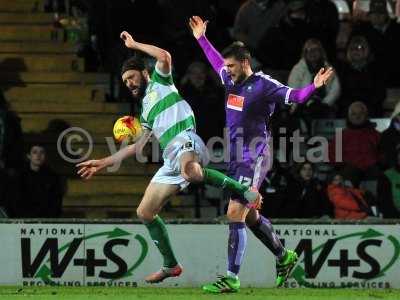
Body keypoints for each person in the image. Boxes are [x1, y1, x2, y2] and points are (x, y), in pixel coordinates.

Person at [76, 31, 263, 284]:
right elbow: (137, 147)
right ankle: (171, 265)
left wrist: (134, 44)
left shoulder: (160, 83)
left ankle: (243, 189)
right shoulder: (145, 111)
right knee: (145, 212)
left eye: (131, 77)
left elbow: (164, 56)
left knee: (191, 171)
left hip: (186, 140)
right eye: (125, 81)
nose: (129, 83)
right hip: (169, 157)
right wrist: (103, 162)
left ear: (144, 73)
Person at [189, 15, 334, 292]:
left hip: (255, 155)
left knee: (234, 213)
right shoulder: (230, 80)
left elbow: (295, 96)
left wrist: (314, 86)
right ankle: (284, 256)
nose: (226, 70)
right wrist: (201, 38)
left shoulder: (264, 84)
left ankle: (231, 277)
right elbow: (215, 60)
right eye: (227, 66)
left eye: (232, 66)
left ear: (246, 62)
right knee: (249, 216)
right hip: (235, 155)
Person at [288, 38, 341, 119]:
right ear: (305, 53)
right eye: (309, 50)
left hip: (324, 105)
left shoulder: (328, 68)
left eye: (315, 50)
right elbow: (293, 89)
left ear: (321, 52)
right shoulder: (298, 69)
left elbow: (335, 90)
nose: (312, 53)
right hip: (303, 105)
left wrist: (325, 103)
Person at [11, 144, 64, 218]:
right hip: (24, 219)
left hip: (47, 219)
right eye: (35, 152)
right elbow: (16, 201)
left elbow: (56, 201)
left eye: (42, 152)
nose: (38, 155)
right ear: (29, 156)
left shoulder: (53, 177)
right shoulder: (20, 177)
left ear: (45, 156)